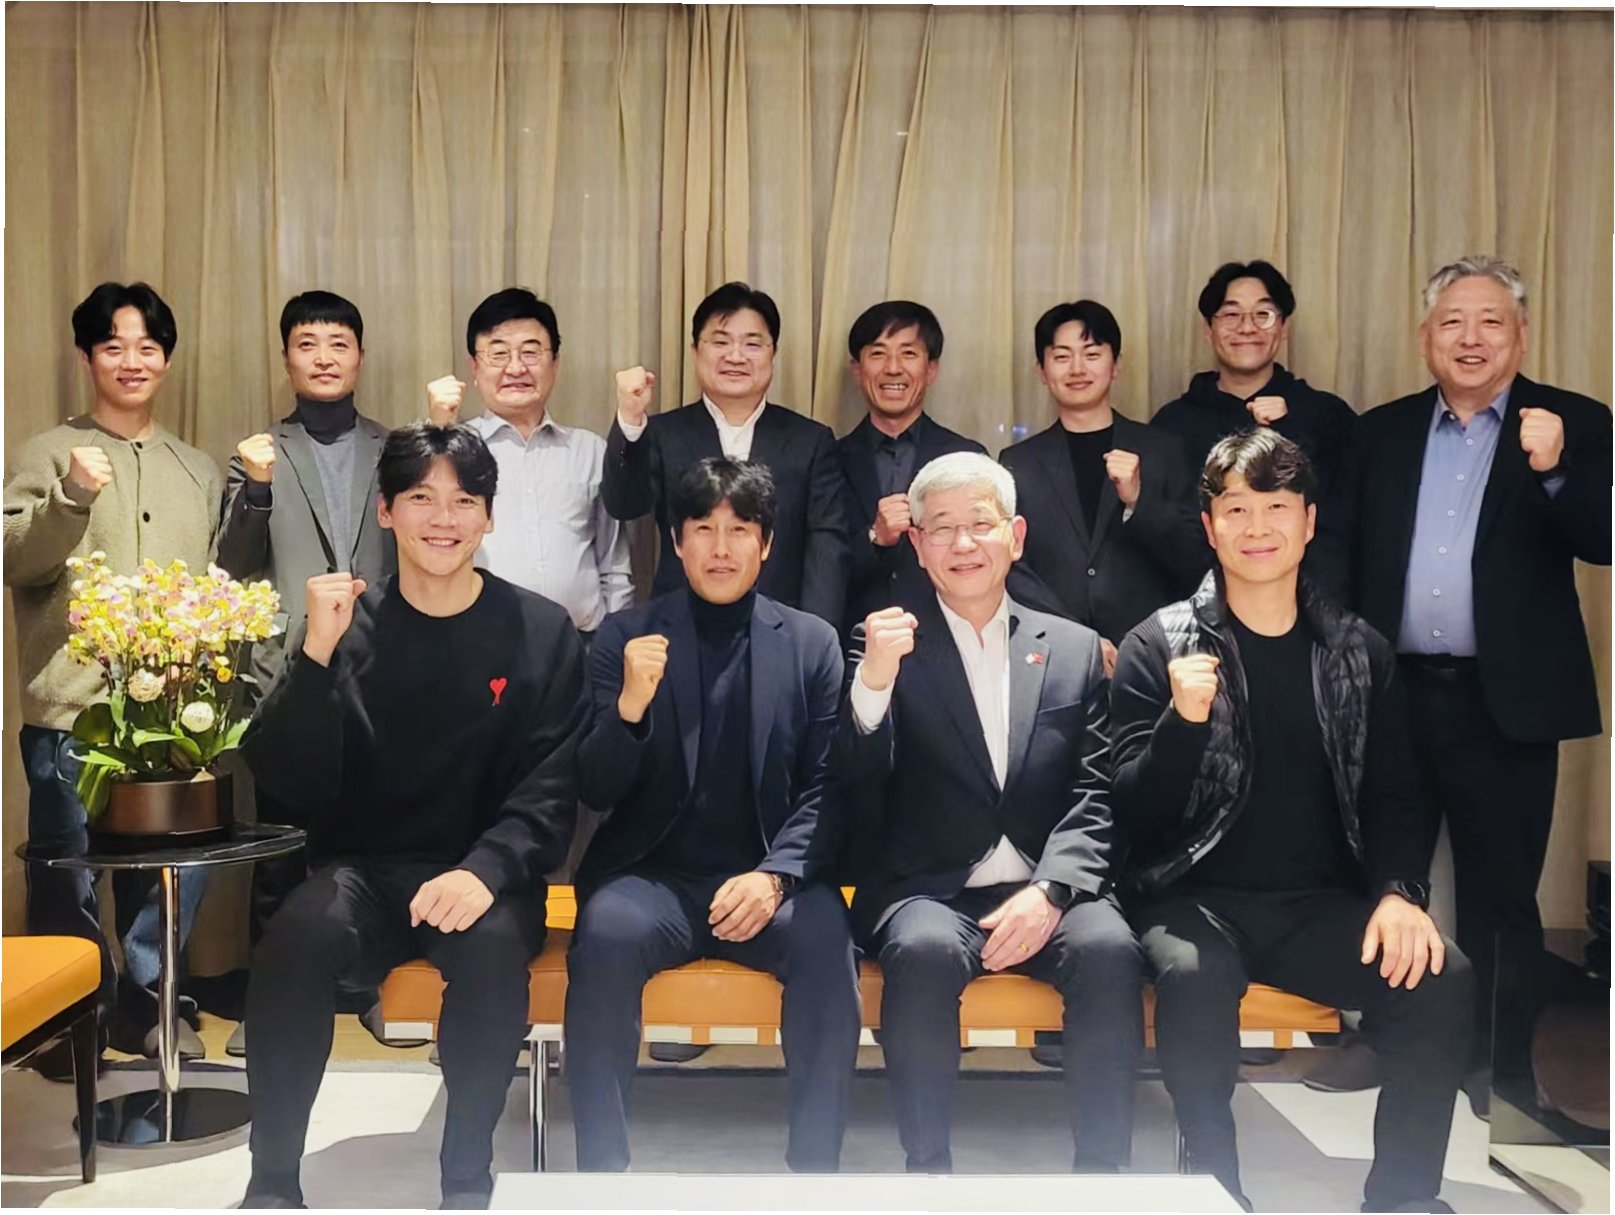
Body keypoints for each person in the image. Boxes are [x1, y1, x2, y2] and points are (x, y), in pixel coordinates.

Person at [1111, 429, 1473, 1213]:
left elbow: (1396, 796)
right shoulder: (1157, 644)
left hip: (1316, 904)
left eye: (1275, 507)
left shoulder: (1356, 650)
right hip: (1191, 897)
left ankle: (1402, 1196)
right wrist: (1182, 723)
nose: (1257, 527)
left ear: (1307, 521)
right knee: (1192, 976)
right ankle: (1214, 1188)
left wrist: (1398, 893)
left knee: (1440, 976)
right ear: (1209, 527)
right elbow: (1131, 814)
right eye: (1236, 509)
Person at [238, 423, 586, 1210]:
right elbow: (288, 779)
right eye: (421, 497)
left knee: (491, 952)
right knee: (294, 938)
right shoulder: (345, 622)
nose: (443, 518)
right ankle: (273, 1181)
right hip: (363, 870)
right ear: (387, 510)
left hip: (484, 875)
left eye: (464, 501)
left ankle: (465, 1179)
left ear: (488, 516)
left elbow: (550, 785)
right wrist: (314, 658)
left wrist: (483, 870)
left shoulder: (540, 630)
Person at [1312, 255, 1611, 1102]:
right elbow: (1334, 547)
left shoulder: (1577, 422)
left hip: (1505, 700)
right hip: (1391, 692)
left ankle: (1494, 1060)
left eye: (1488, 321)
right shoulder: (1379, 432)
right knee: (1383, 873)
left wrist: (1554, 470)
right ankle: (1386, 1038)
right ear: (1424, 338)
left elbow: (1603, 538)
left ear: (1521, 334)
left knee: (1499, 891)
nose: (1469, 338)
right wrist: (1335, 647)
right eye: (1451, 321)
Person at [838, 451, 1142, 1174]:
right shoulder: (881, 643)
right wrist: (872, 683)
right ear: (916, 545)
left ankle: (1102, 1173)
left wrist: (1051, 890)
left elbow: (1094, 790)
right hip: (928, 887)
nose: (963, 543)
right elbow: (852, 786)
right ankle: (928, 1167)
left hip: (1049, 885)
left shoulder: (1070, 648)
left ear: (1016, 535)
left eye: (980, 523)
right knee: (922, 952)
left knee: (1108, 950)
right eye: (941, 527)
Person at [565, 457, 859, 1174]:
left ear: (767, 543)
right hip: (652, 880)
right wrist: (629, 708)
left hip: (767, 880)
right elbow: (595, 787)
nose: (720, 548)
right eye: (703, 529)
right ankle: (601, 1172)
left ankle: (815, 1171)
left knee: (826, 941)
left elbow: (829, 786)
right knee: (603, 935)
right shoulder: (626, 638)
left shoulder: (812, 643)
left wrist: (776, 877)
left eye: (739, 530)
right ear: (676, 540)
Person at [4, 282, 220, 1066]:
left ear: (166, 358)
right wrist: (71, 495)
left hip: (168, 718)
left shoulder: (197, 469)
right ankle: (67, 1021)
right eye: (113, 346)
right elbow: (15, 560)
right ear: (86, 356)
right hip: (69, 709)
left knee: (167, 872)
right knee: (67, 870)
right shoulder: (45, 452)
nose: (132, 361)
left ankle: (153, 1007)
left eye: (147, 347)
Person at [216, 290, 396, 1059]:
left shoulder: (394, 447)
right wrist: (256, 489)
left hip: (381, 670)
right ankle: (271, 1001)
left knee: (377, 833)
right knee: (281, 842)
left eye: (338, 342)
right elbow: (230, 566)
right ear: (286, 356)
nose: (324, 356)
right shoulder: (259, 451)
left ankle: (371, 985)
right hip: (290, 671)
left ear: (360, 355)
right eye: (307, 343)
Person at [607, 282, 849, 627]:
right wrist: (630, 421)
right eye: (720, 342)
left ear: (773, 354)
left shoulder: (810, 441)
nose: (735, 356)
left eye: (752, 344)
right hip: (680, 627)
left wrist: (813, 637)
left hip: (780, 631)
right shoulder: (662, 434)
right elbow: (623, 505)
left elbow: (827, 550)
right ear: (696, 351)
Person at [1000, 300, 1207, 675]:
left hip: (1152, 657)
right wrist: (1077, 639)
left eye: (1092, 354)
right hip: (1052, 659)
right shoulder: (1018, 462)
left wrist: (1139, 502)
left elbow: (1196, 558)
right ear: (1041, 371)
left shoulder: (1163, 450)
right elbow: (1012, 568)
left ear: (1116, 365)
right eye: (1062, 356)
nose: (1077, 368)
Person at [425, 288, 632, 643]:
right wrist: (437, 432)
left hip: (580, 646)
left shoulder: (591, 451)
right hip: (477, 645)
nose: (516, 368)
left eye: (531, 352)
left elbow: (614, 565)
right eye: (498, 353)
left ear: (555, 363)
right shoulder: (451, 447)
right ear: (474, 368)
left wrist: (614, 645)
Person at [1152, 260, 1356, 495]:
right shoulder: (1172, 424)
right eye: (1231, 314)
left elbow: (1346, 506)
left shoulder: (1328, 416)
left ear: (1284, 328)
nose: (1247, 328)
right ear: (1208, 331)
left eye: (1263, 314)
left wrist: (1289, 429)